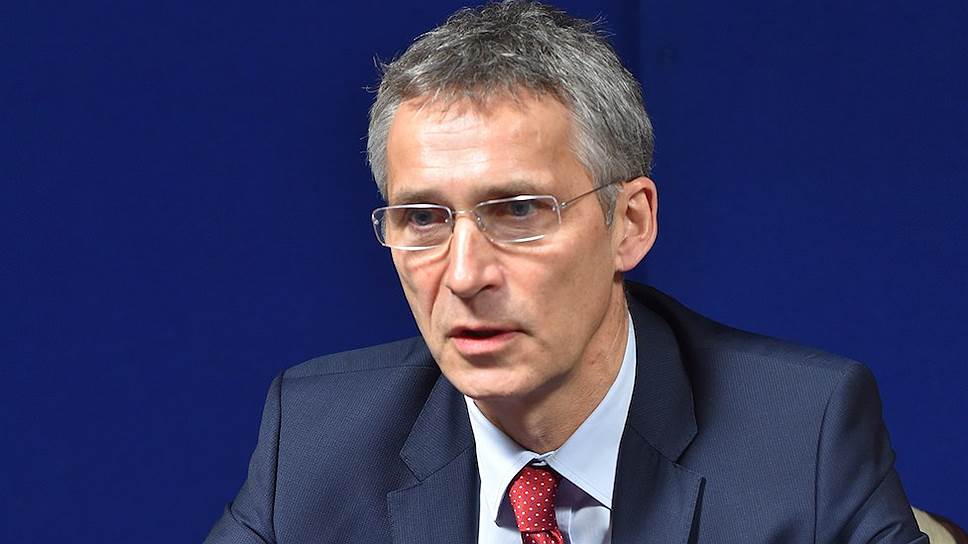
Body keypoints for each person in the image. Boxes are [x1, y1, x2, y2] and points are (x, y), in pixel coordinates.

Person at [206, 2, 926, 542]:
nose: (464, 275)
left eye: (519, 211)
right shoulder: (318, 437)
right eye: (423, 218)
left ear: (630, 223)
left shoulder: (802, 432)